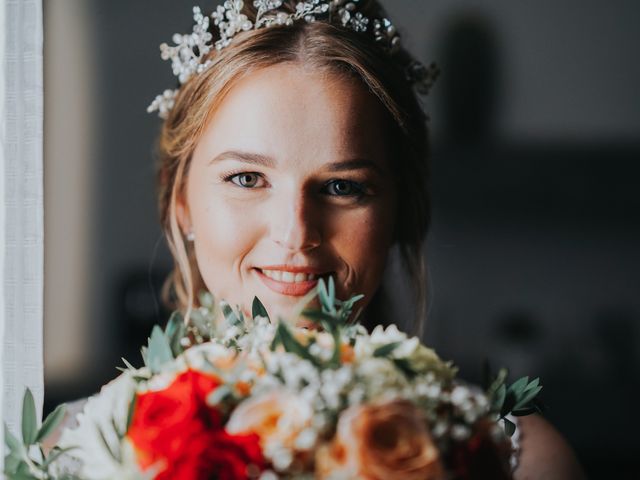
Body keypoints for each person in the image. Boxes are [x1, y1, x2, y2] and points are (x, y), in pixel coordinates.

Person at [54, 1, 585, 478]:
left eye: (342, 187)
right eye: (246, 178)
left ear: (398, 210)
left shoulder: (511, 459)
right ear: (182, 201)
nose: (296, 233)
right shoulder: (69, 450)